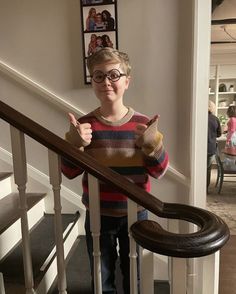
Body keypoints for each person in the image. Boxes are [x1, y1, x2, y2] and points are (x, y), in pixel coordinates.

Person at [61, 47, 169, 294]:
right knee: (101, 276)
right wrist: (73, 145)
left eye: (114, 75)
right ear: (92, 82)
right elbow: (68, 172)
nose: (106, 82)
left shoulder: (143, 125)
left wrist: (153, 145)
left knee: (135, 276)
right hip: (98, 214)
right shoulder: (84, 125)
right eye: (99, 76)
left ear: (127, 81)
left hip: (136, 213)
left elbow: (160, 172)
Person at [207, 100, 221, 192]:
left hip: (199, 149)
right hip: (211, 148)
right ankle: (205, 189)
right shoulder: (215, 119)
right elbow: (219, 134)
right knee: (208, 170)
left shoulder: (198, 117)